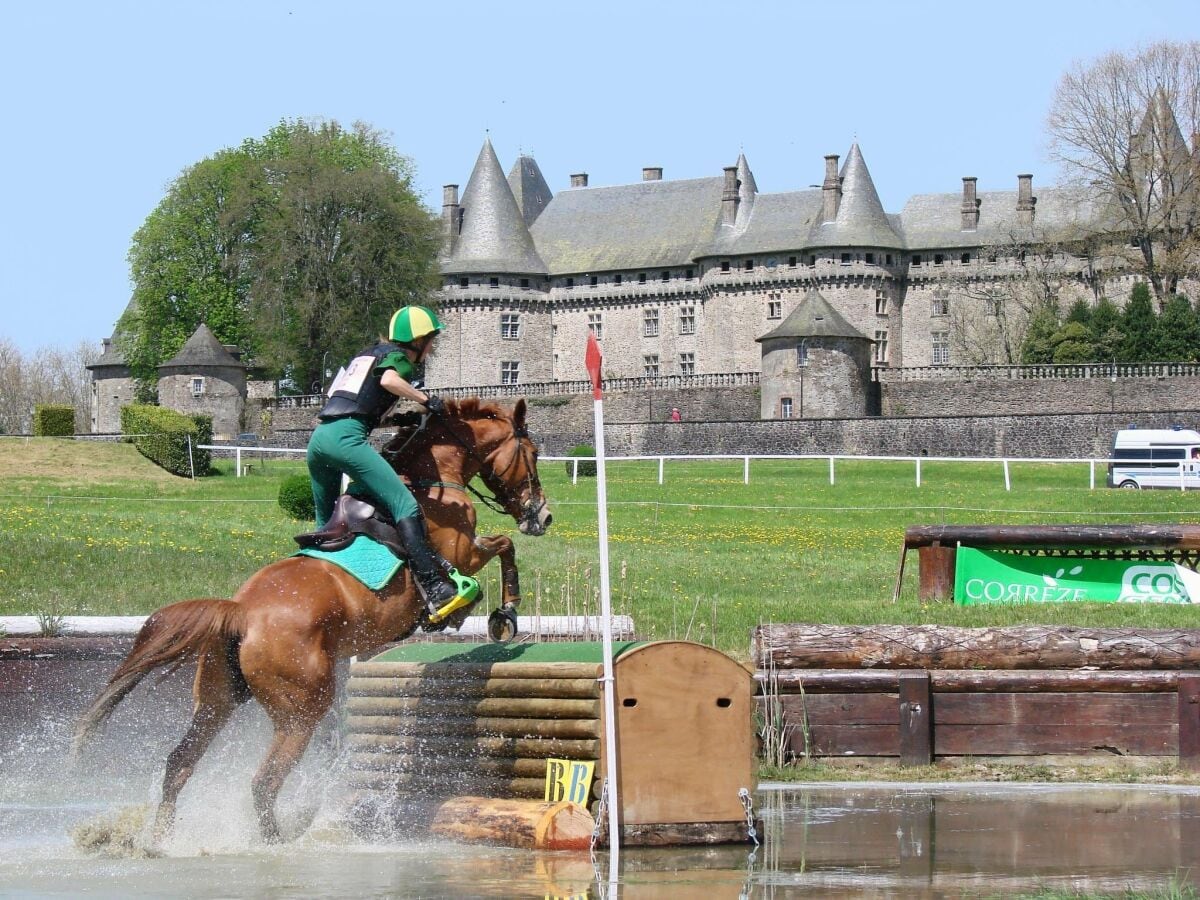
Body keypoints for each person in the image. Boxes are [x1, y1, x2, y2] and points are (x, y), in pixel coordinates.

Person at [305, 305, 475, 616]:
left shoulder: (365, 356)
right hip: (345, 441)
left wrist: (403, 417)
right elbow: (390, 382)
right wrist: (425, 400)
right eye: (431, 340)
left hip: (319, 441)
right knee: (406, 506)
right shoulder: (399, 360)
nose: (433, 347)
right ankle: (435, 589)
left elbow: (354, 407)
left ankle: (315, 589)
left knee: (325, 526)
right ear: (418, 340)